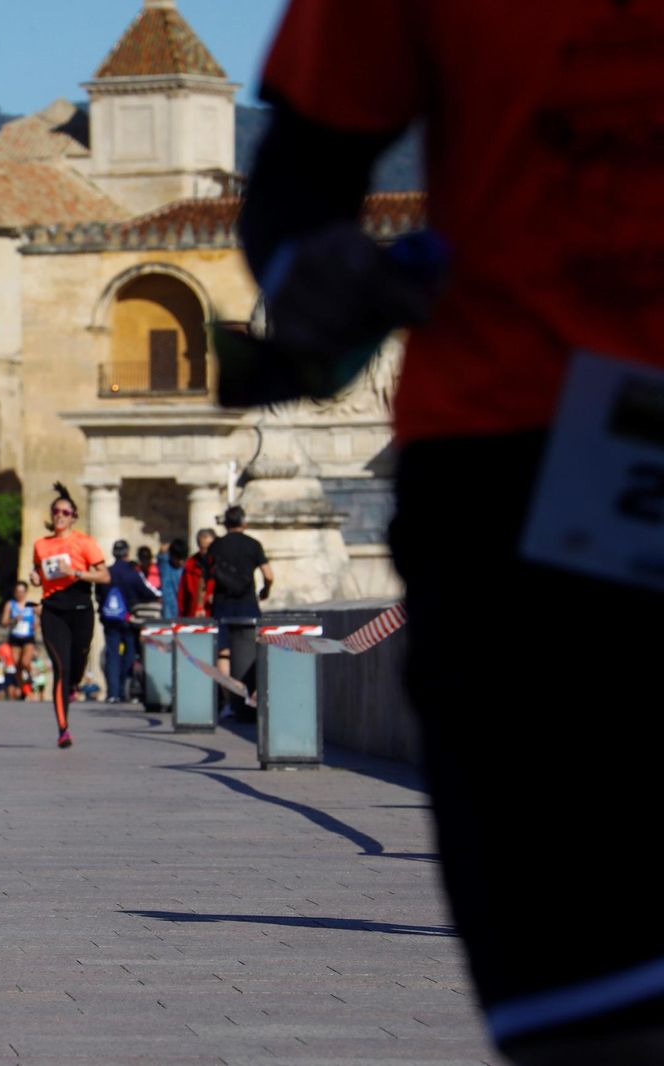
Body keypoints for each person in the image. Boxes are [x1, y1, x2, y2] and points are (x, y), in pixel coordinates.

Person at [246, 5, 664, 1059]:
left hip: (526, 451)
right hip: (523, 457)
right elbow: (300, 175)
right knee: (580, 980)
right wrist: (317, 270)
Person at [29, 486, 108, 748]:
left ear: (73, 515)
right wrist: (35, 577)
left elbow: (104, 576)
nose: (60, 516)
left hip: (81, 609)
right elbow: (39, 573)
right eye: (56, 512)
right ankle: (63, 729)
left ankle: (74, 684)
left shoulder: (84, 542)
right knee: (61, 667)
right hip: (53, 610)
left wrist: (74, 572)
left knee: (78, 661)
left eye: (65, 512)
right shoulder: (41, 544)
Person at [206, 507, 272, 719]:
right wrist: (265, 590)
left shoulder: (216, 546)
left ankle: (230, 702)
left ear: (225, 523)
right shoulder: (253, 544)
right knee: (254, 652)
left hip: (222, 604)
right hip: (247, 605)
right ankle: (250, 701)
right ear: (243, 522)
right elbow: (268, 575)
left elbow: (206, 577)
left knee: (223, 653)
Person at [98, 540, 160, 703]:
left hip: (110, 619)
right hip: (129, 619)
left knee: (112, 654)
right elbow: (147, 593)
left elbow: (99, 596)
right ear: (127, 553)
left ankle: (113, 693)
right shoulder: (132, 574)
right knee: (129, 653)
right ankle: (124, 687)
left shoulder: (107, 573)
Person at [0, 582, 38, 699]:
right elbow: (3, 622)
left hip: (28, 637)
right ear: (15, 592)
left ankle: (31, 676)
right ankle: (24, 689)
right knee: (17, 665)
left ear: (26, 593)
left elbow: (39, 620)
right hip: (15, 637)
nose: (20, 594)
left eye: (22, 591)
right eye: (18, 591)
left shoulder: (31, 605)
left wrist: (37, 626)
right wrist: (13, 620)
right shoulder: (10, 605)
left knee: (25, 662)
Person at [179, 528, 216, 618]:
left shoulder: (219, 565)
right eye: (201, 547)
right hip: (193, 614)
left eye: (208, 548)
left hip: (214, 613)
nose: (204, 552)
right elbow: (183, 595)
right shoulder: (190, 565)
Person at [157, 540, 187, 620]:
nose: (180, 562)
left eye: (182, 559)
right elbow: (162, 551)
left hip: (182, 612)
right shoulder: (165, 564)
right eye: (178, 559)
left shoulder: (186, 568)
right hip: (167, 612)